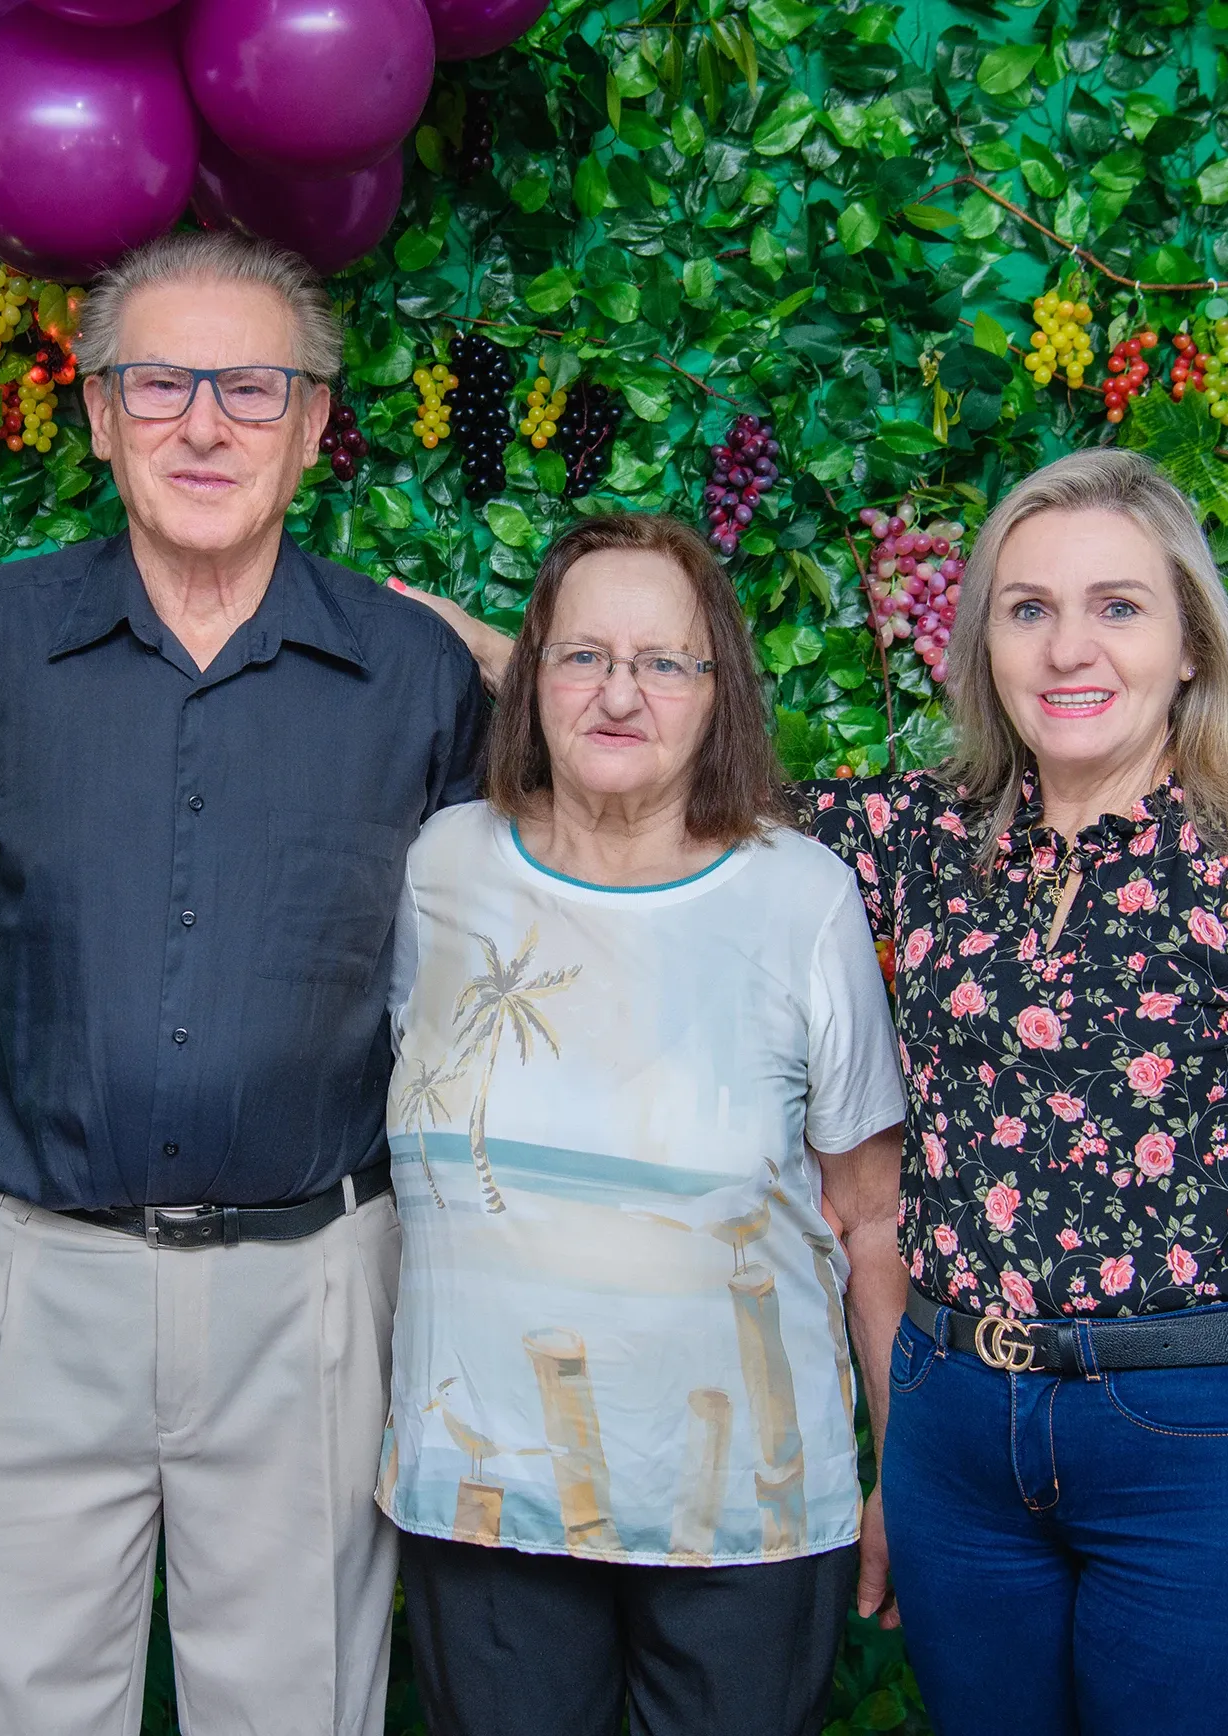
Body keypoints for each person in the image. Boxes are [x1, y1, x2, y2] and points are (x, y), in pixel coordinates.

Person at [405, 448, 1228, 1736]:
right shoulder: (923, 836)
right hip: (959, 1431)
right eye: (1028, 609)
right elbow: (682, 776)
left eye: (1117, 606)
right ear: (985, 644)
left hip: (1200, 1435)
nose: (1067, 647)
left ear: (1191, 644)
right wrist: (511, 651)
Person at [0, 230, 486, 1736]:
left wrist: (529, 657)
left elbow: (532, 929)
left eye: (251, 386)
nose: (203, 424)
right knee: (8, 1708)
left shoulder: (415, 675)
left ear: (309, 423)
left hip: (314, 1291)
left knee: (297, 1707)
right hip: (45, 1277)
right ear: (95, 413)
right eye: (160, 383)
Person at [378, 514, 908, 1736]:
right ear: (530, 674)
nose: (620, 691)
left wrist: (907, 1477)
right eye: (581, 656)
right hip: (487, 1495)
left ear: (717, 692)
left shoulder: (800, 897)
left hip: (748, 1513)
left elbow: (869, 1218)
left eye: (665, 662)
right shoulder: (436, 868)